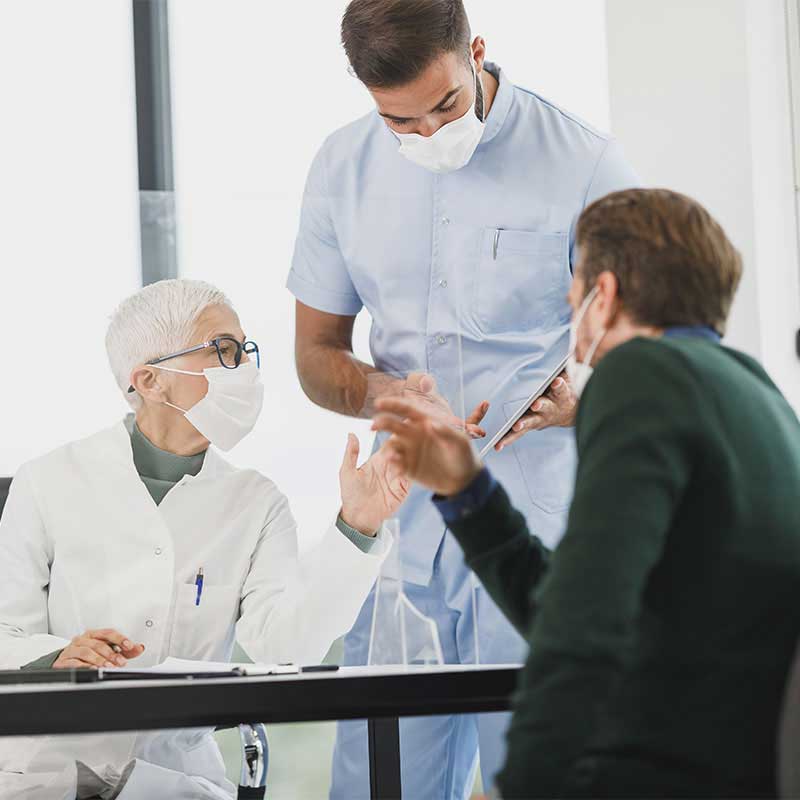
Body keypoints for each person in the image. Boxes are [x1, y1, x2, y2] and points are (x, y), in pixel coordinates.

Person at [287, 0, 639, 794]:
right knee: (378, 782)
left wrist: (583, 398)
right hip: (401, 532)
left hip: (539, 532)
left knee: (546, 777)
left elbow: (654, 349)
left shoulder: (585, 164)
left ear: (476, 51)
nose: (427, 135)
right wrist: (388, 392)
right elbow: (315, 355)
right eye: (399, 122)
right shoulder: (340, 168)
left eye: (445, 106)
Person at [372, 187, 800, 798]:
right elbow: (566, 604)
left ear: (604, 297)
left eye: (573, 302)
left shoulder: (641, 372)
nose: (571, 336)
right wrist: (466, 489)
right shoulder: (759, 393)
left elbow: (581, 626)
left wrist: (524, 784)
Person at [0, 279, 405, 800]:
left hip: (172, 777)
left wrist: (357, 524)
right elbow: (5, 629)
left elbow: (286, 646)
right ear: (150, 380)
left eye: (246, 351)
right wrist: (58, 657)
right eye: (225, 350)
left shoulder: (257, 503)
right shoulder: (49, 480)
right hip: (43, 773)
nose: (246, 369)